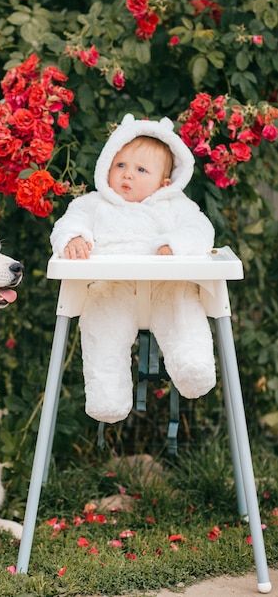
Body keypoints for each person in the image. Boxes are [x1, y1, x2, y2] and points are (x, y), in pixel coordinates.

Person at [50, 114, 216, 424]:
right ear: (106, 166)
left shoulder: (175, 206)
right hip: (112, 286)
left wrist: (175, 245)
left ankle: (193, 365)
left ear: (164, 183)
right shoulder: (94, 204)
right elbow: (70, 222)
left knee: (184, 307)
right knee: (101, 325)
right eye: (120, 165)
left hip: (167, 286)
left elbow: (201, 230)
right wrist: (73, 238)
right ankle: (107, 395)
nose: (127, 175)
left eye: (141, 170)